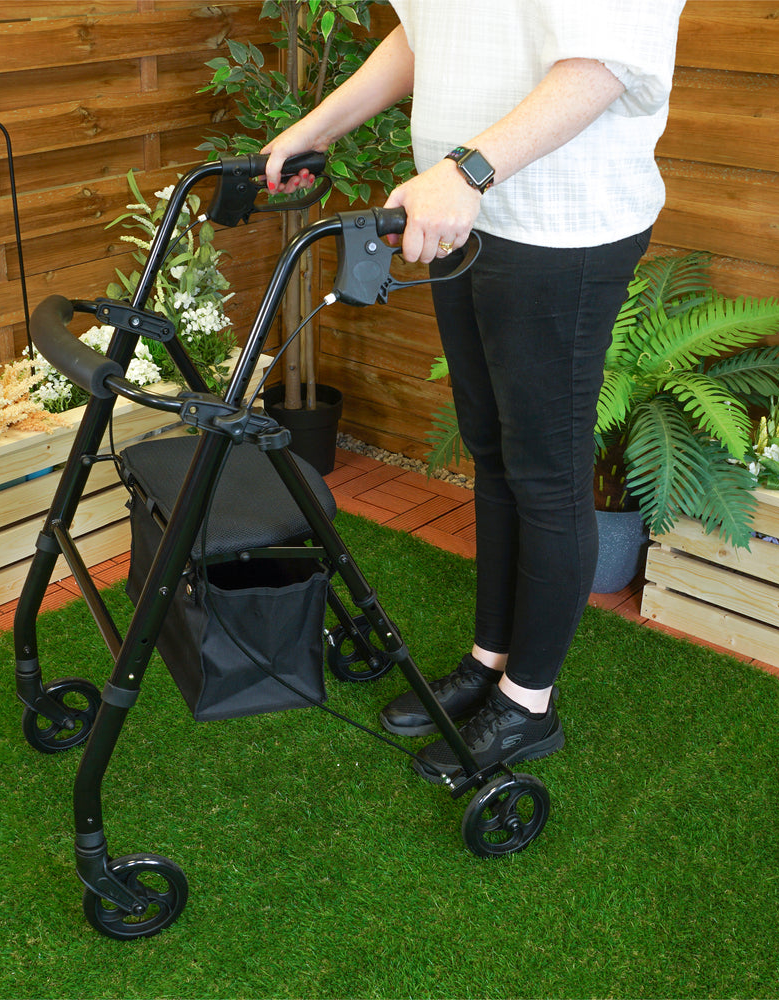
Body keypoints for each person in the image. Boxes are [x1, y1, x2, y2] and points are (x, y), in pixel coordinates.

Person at [264, 1, 686, 783]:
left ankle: (529, 705)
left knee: (543, 470)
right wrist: (320, 127)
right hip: (458, 214)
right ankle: (490, 659)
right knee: (489, 451)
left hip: (560, 226)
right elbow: (425, 30)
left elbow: (602, 61)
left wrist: (465, 171)